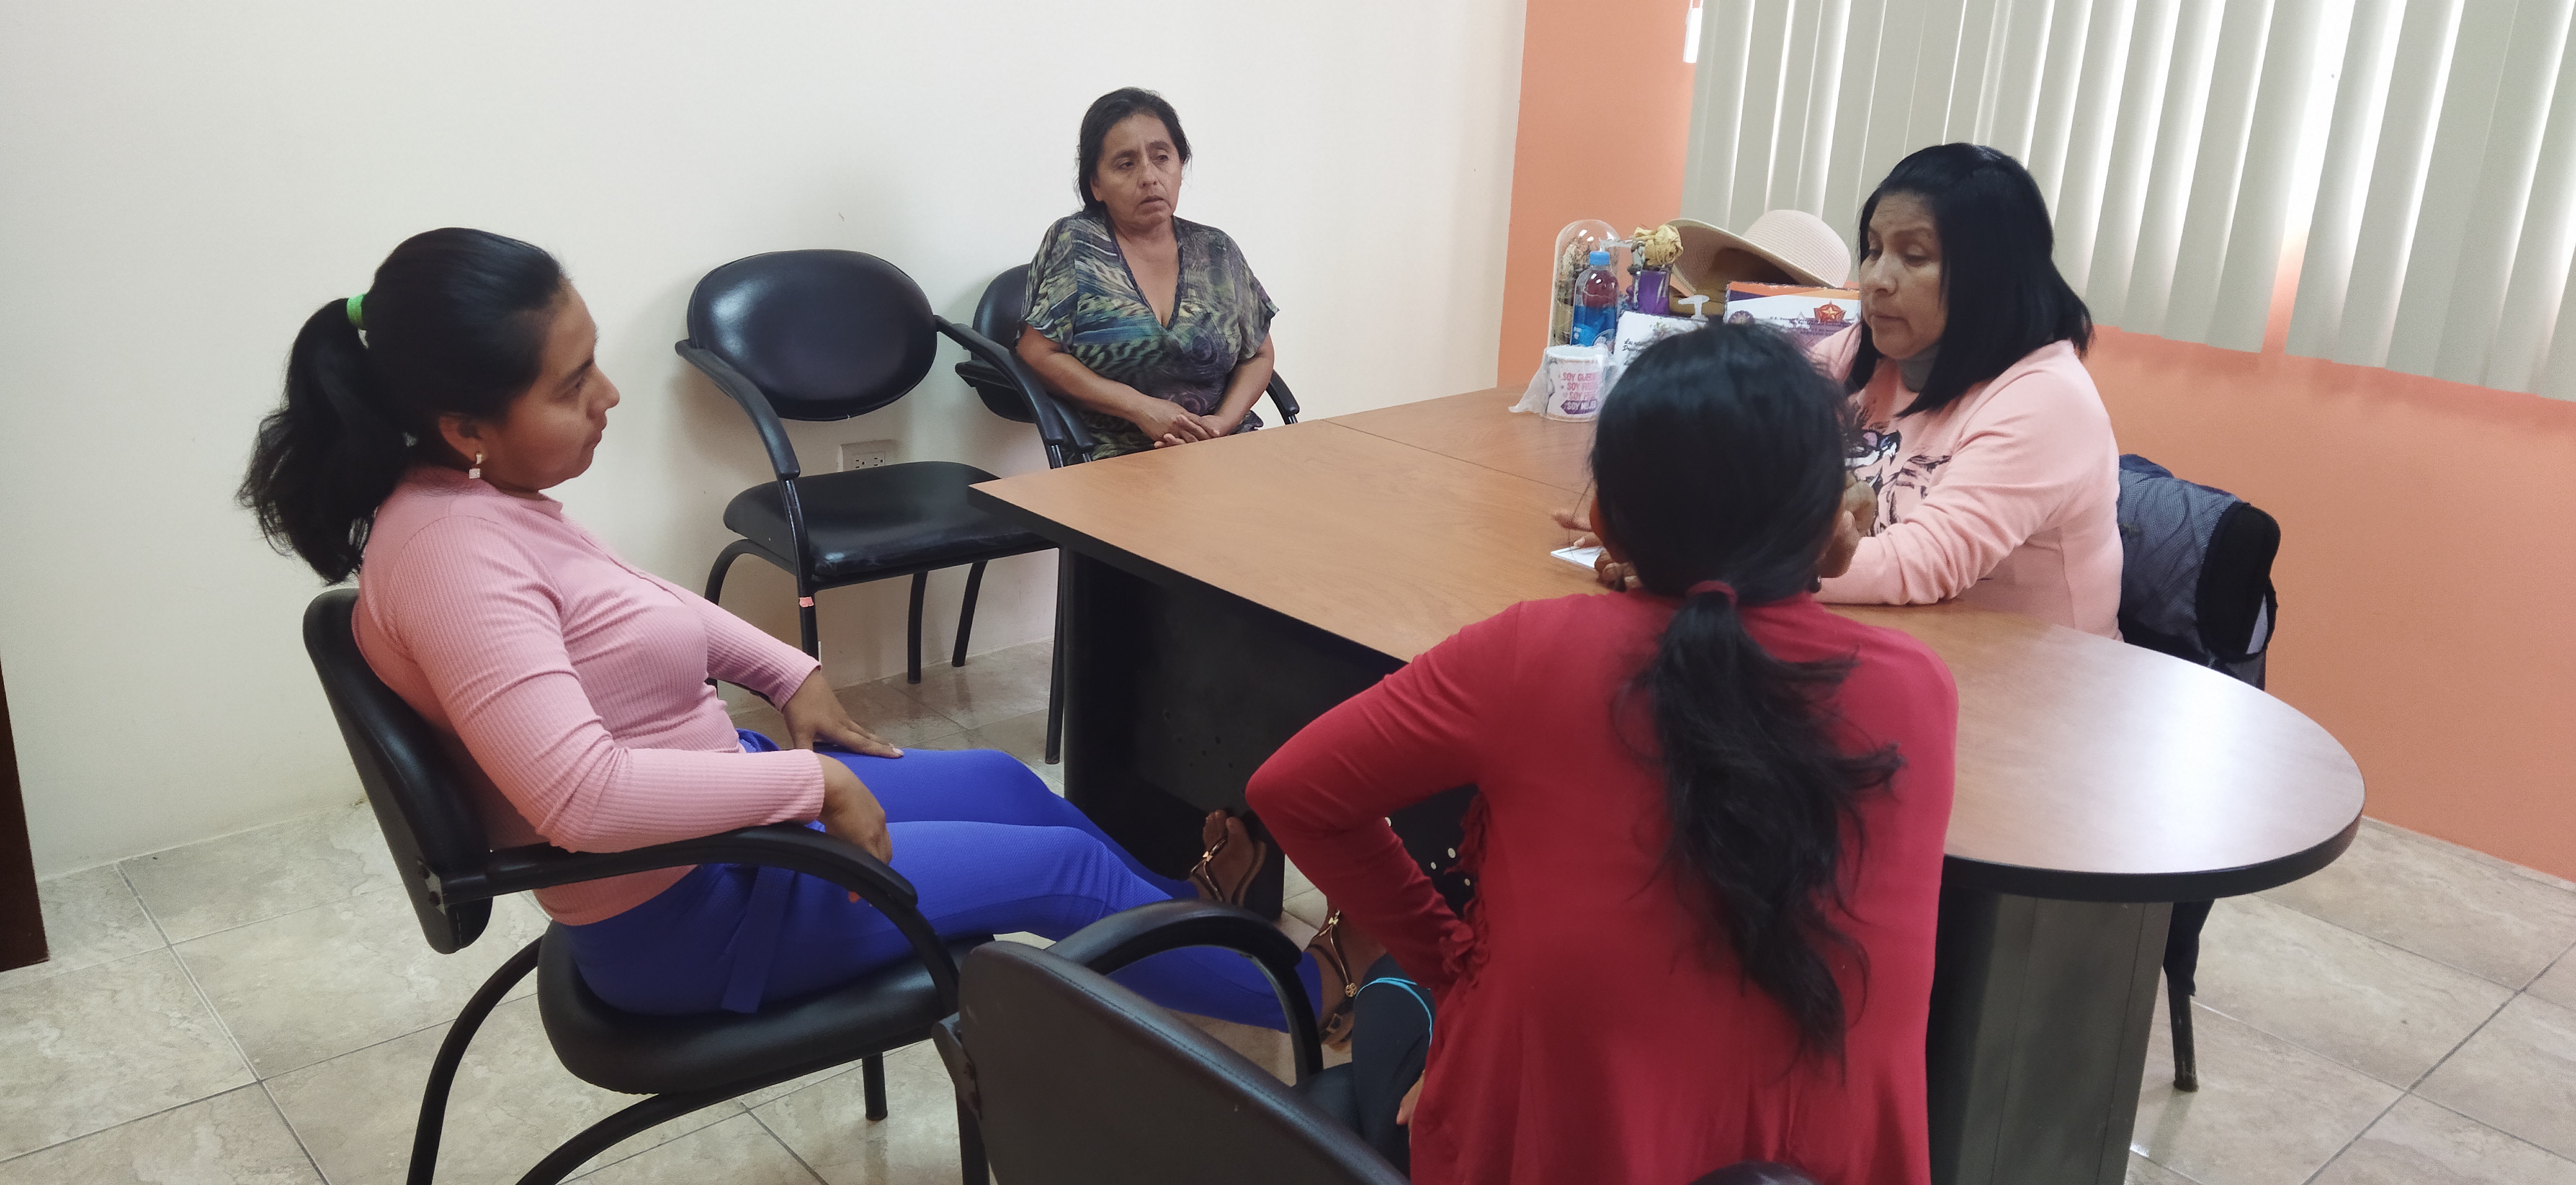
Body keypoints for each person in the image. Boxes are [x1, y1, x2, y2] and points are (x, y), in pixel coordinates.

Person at [237, 227, 1361, 1027]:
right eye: (572, 384)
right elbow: (579, 798)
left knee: (1008, 786)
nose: (609, 397)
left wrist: (784, 667)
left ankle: (1188, 931)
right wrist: (808, 782)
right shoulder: (453, 559)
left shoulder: (471, 504)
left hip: (722, 828)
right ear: (464, 425)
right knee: (1060, 872)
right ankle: (1310, 999)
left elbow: (636, 605)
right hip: (693, 915)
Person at [1250, 324, 1958, 1184]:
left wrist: (1455, 965)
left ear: (1600, 526)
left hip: (1554, 1151)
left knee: (1399, 991)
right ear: (1835, 528)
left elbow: (1293, 791)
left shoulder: (1534, 654)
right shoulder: (1919, 692)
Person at [1571, 146, 2121, 638]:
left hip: (2037, 689)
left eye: (1914, 256)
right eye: (1874, 249)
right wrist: (1654, 523)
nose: (1877, 278)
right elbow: (1742, 446)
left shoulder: (2049, 399)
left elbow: (1926, 562)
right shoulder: (1866, 348)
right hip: (1877, 635)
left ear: (1992, 276)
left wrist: (1708, 569)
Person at [1016, 88, 1278, 460]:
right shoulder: (1077, 244)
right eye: (1126, 164)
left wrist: (1220, 425)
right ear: (1096, 184)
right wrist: (1140, 408)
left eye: (1161, 158)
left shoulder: (1216, 250)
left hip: (1222, 448)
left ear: (1180, 166)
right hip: (1114, 456)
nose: (1150, 177)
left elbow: (1259, 355)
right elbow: (1036, 353)